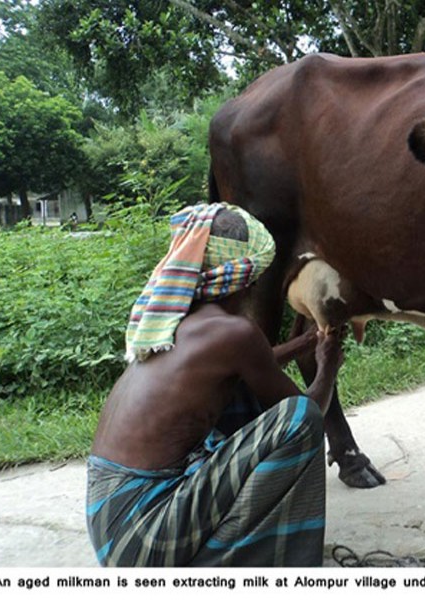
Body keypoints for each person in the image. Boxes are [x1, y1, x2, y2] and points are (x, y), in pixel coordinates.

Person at [86, 203, 342, 567]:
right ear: (247, 277)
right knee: (296, 417)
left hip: (110, 518)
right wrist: (327, 366)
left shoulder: (175, 320)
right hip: (143, 535)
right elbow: (310, 411)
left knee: (241, 389)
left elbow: (248, 363)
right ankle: (260, 563)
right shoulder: (235, 334)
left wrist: (301, 345)